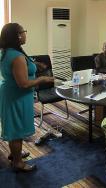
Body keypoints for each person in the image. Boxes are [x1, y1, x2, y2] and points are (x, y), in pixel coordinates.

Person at [0, 23, 54, 172]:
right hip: (17, 97)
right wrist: (43, 79)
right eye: (24, 31)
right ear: (18, 36)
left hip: (11, 95)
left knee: (13, 126)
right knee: (17, 129)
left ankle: (15, 153)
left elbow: (21, 65)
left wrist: (35, 64)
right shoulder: (16, 56)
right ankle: (18, 162)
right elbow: (23, 83)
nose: (25, 34)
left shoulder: (8, 51)